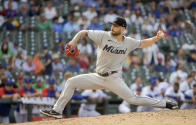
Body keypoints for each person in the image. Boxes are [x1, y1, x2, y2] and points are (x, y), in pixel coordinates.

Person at [40, 17, 178, 119]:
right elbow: (83, 32)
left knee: (133, 99)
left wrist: (156, 38)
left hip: (114, 78)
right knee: (71, 82)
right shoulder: (103, 36)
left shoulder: (129, 42)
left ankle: (166, 104)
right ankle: (57, 111)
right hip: (98, 76)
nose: (113, 28)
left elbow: (142, 43)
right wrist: (73, 41)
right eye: (113, 25)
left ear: (123, 29)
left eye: (117, 26)